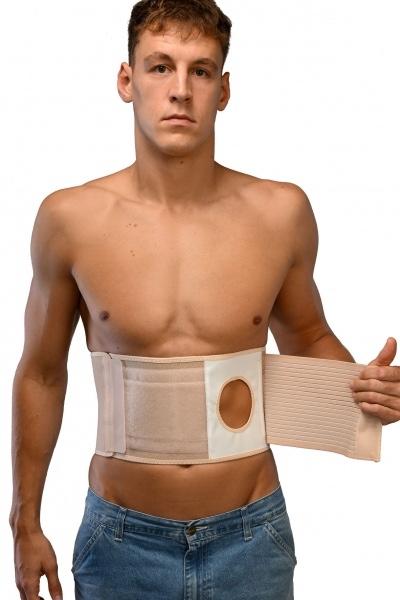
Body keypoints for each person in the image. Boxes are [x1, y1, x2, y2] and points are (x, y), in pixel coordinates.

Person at [9, 1, 400, 599]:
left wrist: (364, 391)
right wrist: (24, 520)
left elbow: (308, 336)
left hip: (251, 537)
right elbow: (41, 372)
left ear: (224, 90)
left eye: (201, 70)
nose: (180, 90)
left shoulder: (280, 213)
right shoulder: (70, 220)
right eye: (160, 67)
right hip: (120, 541)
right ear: (126, 80)